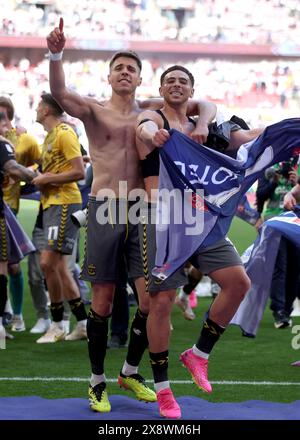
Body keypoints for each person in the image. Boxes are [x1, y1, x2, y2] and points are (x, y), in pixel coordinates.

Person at [46, 19, 217, 415]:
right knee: (103, 302)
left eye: (131, 69)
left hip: (143, 210)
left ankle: (128, 371)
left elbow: (205, 105)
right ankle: (96, 381)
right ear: (109, 76)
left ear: (141, 79)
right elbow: (59, 91)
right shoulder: (92, 109)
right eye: (119, 67)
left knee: (149, 300)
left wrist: (205, 121)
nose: (125, 72)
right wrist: (56, 54)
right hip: (105, 206)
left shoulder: (152, 111)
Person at [136, 65, 262, 404]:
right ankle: (163, 390)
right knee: (161, 302)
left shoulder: (206, 127)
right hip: (164, 223)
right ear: (161, 88)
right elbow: (145, 126)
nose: (176, 85)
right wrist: (153, 136)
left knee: (238, 283)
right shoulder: (155, 118)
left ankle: (199, 355)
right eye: (170, 81)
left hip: (202, 223)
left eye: (183, 81)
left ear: (191, 90)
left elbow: (249, 136)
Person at [32, 93, 88, 343]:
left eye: (38, 105)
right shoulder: (51, 136)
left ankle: (56, 325)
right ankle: (83, 324)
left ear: (46, 110)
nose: (35, 108)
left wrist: (46, 179)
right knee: (59, 268)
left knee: (47, 263)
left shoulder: (65, 133)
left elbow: (78, 172)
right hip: (53, 204)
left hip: (64, 203)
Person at [0, 97, 41, 332]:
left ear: (10, 117)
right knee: (4, 266)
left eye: (3, 114)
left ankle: (15, 315)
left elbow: (41, 161)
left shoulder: (24, 139)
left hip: (10, 207)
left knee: (12, 267)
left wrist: (41, 177)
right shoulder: (3, 142)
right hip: (2, 207)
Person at [256, 160, 299, 328]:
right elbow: (260, 195)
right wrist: (274, 181)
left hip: (296, 223)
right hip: (275, 222)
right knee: (280, 266)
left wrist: (296, 184)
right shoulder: (269, 167)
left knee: (295, 269)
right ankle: (278, 311)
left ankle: (287, 309)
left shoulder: (298, 167)